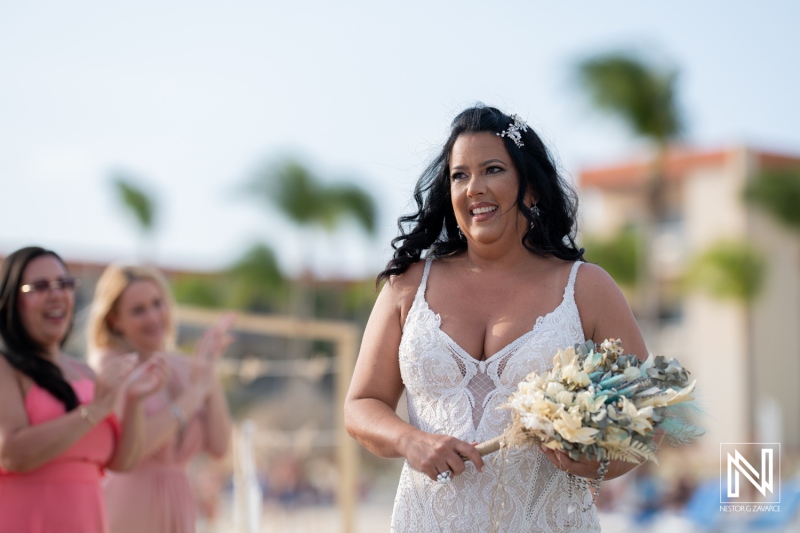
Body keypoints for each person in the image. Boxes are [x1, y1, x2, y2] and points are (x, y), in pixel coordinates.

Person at [344, 105, 649, 532]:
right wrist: (411, 441)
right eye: (459, 175)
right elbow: (361, 405)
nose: (474, 188)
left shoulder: (586, 288)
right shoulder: (407, 287)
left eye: (492, 170)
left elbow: (647, 420)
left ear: (531, 188)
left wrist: (592, 461)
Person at [0, 246, 167, 533]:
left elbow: (122, 462)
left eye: (64, 284)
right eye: (40, 286)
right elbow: (11, 453)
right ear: (13, 301)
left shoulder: (85, 374)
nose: (56, 294)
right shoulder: (5, 367)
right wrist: (92, 412)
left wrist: (135, 400)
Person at [87, 264, 233, 533]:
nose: (153, 317)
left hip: (181, 503)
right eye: (138, 310)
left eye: (157, 304)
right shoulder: (111, 365)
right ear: (114, 320)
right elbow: (133, 447)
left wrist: (210, 375)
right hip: (129, 506)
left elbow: (220, 446)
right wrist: (195, 393)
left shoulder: (185, 366)